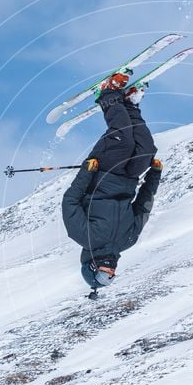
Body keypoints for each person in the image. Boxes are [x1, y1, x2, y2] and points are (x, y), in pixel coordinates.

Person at [62, 74, 163, 295]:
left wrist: (86, 172)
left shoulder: (84, 237)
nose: (111, 273)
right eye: (111, 278)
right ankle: (129, 104)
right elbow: (143, 207)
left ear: (92, 268)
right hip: (128, 180)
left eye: (104, 276)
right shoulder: (127, 241)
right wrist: (154, 175)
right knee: (146, 150)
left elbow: (70, 202)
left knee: (123, 141)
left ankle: (107, 93)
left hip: (101, 174)